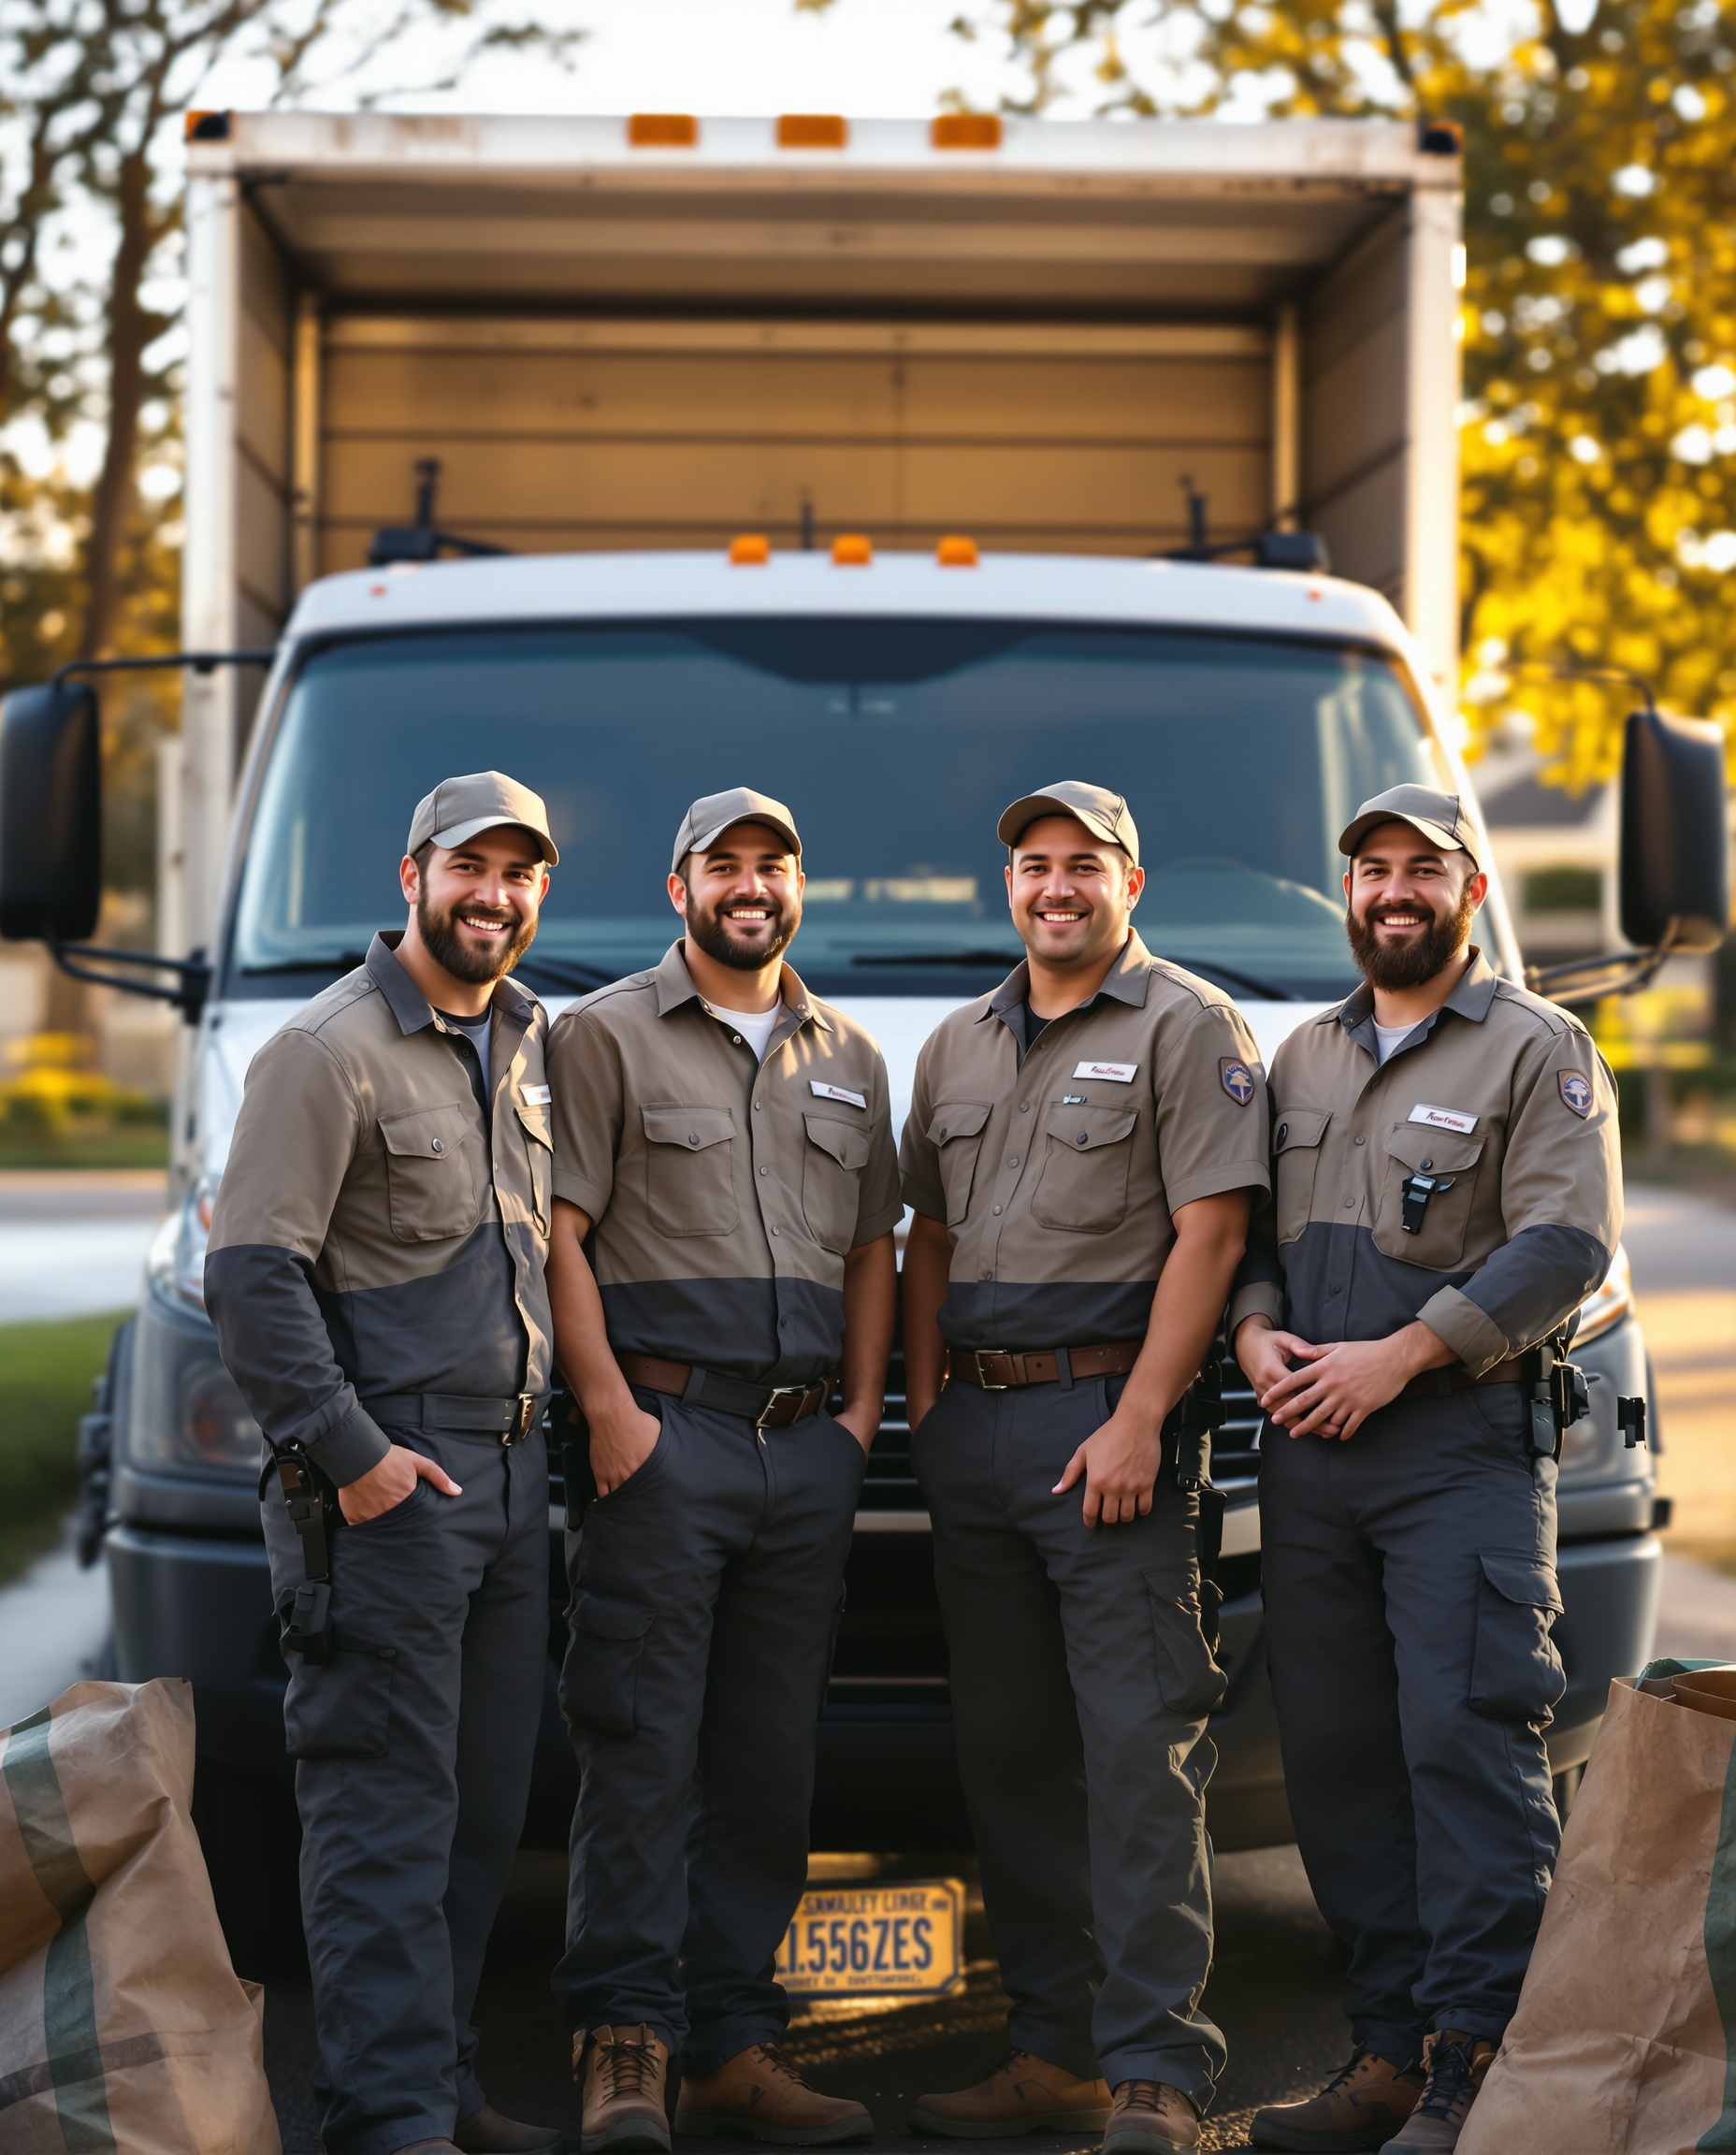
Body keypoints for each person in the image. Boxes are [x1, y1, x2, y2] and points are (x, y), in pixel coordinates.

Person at [1234, 785, 1622, 2155]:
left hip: (1452, 1448)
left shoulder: (1537, 1047)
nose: (1393, 892)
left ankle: (1486, 2069)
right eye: (1371, 870)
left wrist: (1399, 1357)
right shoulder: (1303, 1057)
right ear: (1347, 892)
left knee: (1465, 1747)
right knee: (1339, 1761)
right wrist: (1255, 1327)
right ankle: (1391, 2052)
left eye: (1422, 871)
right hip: (1310, 1453)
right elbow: (1262, 1241)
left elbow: (1566, 1246)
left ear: (1466, 889)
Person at [898, 781, 1271, 2155]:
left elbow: (1213, 1236)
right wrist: (931, 1405)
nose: (1056, 887)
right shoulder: (959, 1042)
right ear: (1010, 888)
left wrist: (1143, 1416)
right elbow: (924, 1233)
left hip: (1107, 1429)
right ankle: (1051, 2050)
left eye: (1084, 866)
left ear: (1133, 881)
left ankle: (1157, 2071)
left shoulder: (1187, 1024)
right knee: (1010, 1754)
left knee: (1134, 1753)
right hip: (978, 1438)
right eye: (1033, 866)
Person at [206, 771, 567, 2155]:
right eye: (470, 868)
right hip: (388, 1501)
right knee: (381, 1821)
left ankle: (444, 2085)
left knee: (479, 1820)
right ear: (412, 872)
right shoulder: (326, 1048)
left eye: (520, 873)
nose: (495, 896)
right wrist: (354, 1458)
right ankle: (384, 2118)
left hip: (508, 1485)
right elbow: (250, 1276)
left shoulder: (525, 1039)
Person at [543, 787, 900, 2153]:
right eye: (724, 865)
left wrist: (861, 1417)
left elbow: (875, 1246)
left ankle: (734, 2043)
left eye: (774, 864)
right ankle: (623, 2043)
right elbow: (558, 1236)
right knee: (638, 1742)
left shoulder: (853, 1055)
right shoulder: (604, 1038)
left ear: (799, 885)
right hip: (664, 1440)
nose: (750, 885)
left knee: (765, 1757)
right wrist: (610, 1412)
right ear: (679, 885)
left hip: (803, 1453)